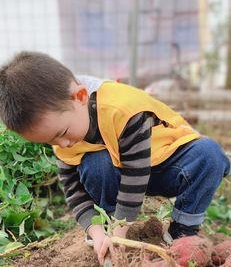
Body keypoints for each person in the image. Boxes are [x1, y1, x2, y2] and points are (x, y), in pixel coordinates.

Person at [0, 51, 230, 265]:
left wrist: (120, 234)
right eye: (50, 142)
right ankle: (110, 225)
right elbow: (73, 191)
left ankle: (182, 230)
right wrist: (96, 230)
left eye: (61, 134)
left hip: (167, 164)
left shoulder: (122, 109)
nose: (63, 145)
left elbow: (135, 172)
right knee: (95, 164)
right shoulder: (61, 131)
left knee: (209, 154)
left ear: (80, 96)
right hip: (120, 174)